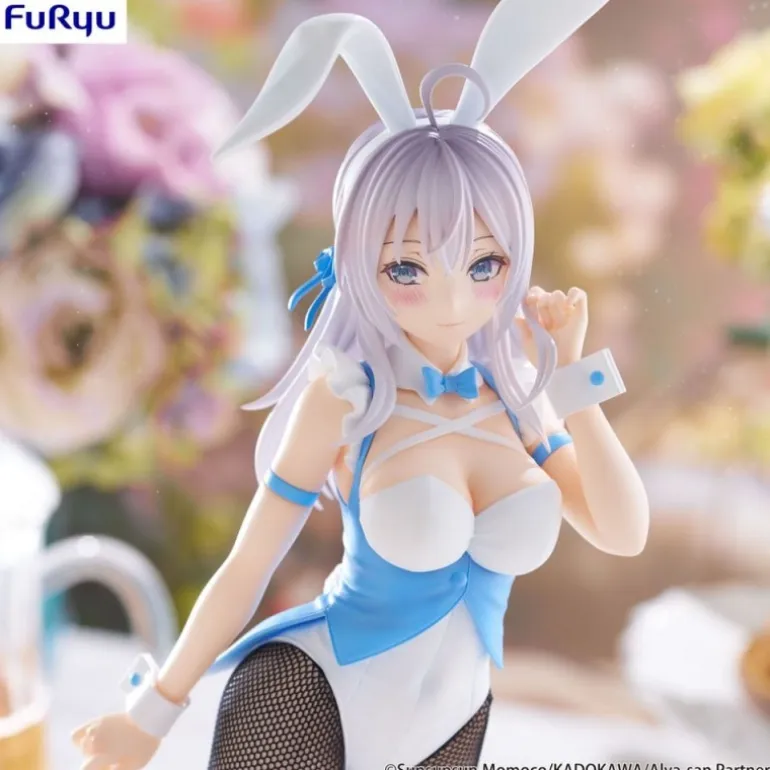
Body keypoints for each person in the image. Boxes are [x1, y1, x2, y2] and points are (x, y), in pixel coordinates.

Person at [72, 0, 649, 768]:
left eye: (484, 263)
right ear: (360, 267)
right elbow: (249, 565)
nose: (452, 299)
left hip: (454, 719)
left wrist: (570, 373)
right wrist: (149, 716)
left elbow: (622, 531)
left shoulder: (518, 395)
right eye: (407, 268)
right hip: (310, 695)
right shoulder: (347, 396)